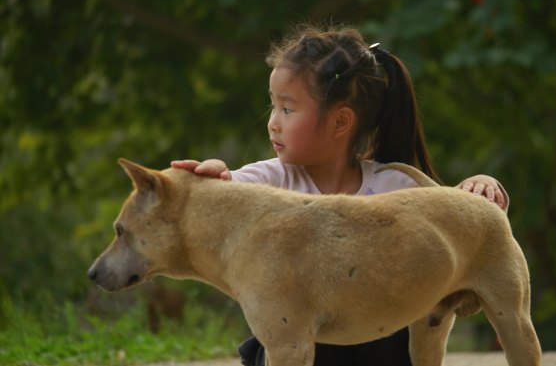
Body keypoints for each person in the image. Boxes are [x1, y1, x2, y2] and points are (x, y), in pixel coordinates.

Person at [171, 23, 508, 366]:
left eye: (287, 109)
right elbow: (227, 193)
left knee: (396, 331)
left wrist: (480, 185)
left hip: (380, 345)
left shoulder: (395, 186)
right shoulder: (268, 181)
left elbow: (456, 230)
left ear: (340, 122)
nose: (273, 122)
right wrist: (213, 178)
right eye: (273, 106)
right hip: (303, 340)